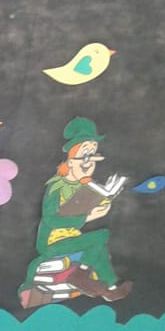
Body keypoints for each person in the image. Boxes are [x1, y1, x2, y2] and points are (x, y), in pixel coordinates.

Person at [19, 118, 133, 309]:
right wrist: (88, 217)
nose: (89, 164)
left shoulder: (82, 186)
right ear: (70, 161)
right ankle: (81, 275)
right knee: (100, 236)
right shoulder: (56, 187)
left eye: (93, 158)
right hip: (51, 243)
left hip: (71, 237)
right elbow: (51, 219)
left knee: (99, 248)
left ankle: (111, 289)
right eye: (85, 157)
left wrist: (103, 202)